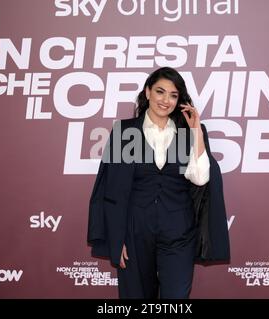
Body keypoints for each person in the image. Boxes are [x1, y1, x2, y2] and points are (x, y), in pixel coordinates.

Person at [88, 67, 230, 299]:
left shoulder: (189, 132)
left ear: (179, 100)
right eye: (160, 92)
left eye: (173, 95)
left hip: (179, 231)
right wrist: (116, 236)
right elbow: (110, 189)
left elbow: (201, 177)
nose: (166, 100)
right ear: (147, 93)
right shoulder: (124, 132)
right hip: (135, 231)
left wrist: (196, 132)